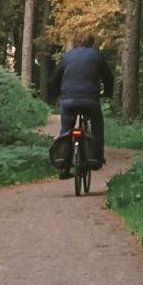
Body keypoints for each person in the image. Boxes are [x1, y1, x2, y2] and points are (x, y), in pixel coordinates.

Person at [46, 35, 113, 178]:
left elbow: (54, 78)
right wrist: (108, 92)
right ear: (92, 42)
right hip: (90, 100)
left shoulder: (67, 56)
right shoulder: (97, 55)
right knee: (97, 123)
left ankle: (63, 167)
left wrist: (59, 93)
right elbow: (108, 77)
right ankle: (97, 156)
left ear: (76, 43)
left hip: (68, 99)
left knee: (66, 129)